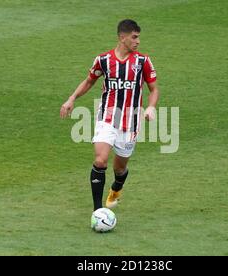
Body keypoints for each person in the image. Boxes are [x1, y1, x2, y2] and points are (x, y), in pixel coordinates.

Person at [60, 19, 160, 211]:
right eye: (134, 37)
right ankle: (98, 211)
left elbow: (154, 89)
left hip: (131, 121)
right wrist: (72, 98)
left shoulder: (142, 61)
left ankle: (116, 188)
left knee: (119, 169)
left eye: (138, 38)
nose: (138, 41)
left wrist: (151, 107)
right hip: (107, 116)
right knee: (100, 160)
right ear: (122, 37)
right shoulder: (104, 60)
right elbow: (89, 81)